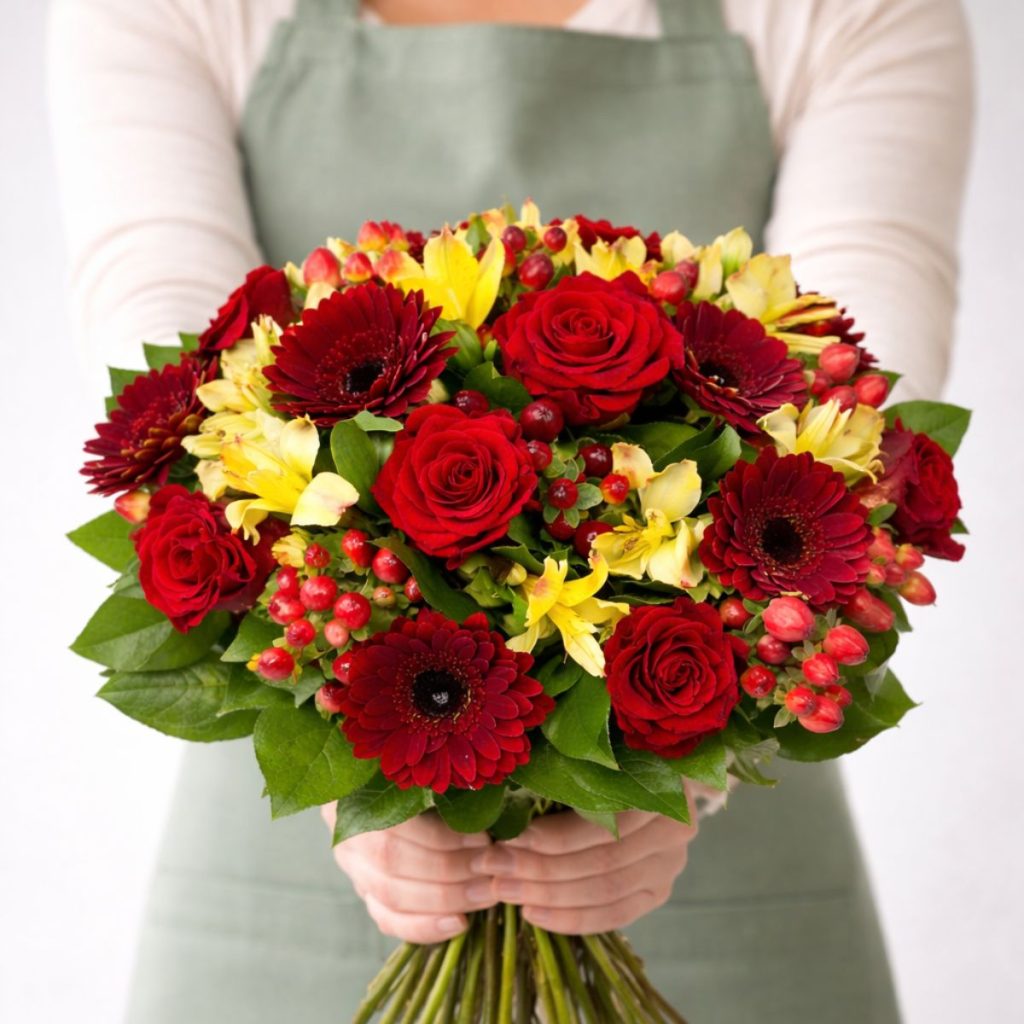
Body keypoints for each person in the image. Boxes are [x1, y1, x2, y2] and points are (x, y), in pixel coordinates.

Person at [49, 1, 972, 1020]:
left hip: (720, 880)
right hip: (295, 851)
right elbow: (174, 360)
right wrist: (354, 784)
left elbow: (852, 399)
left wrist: (674, 786)